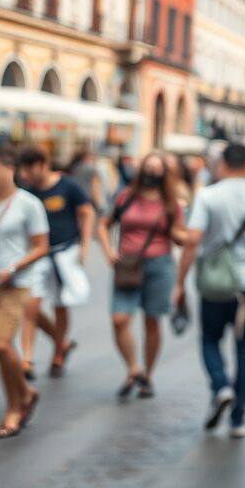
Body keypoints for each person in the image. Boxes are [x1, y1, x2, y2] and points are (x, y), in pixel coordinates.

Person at [176, 142, 245, 438]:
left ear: (222, 165)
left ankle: (221, 386)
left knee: (210, 339)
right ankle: (239, 419)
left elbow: (193, 240)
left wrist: (179, 282)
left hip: (214, 282)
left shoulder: (208, 196)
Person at [96, 152, 188, 400]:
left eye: (157, 170)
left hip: (160, 265)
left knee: (152, 321)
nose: (152, 173)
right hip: (127, 265)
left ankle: (147, 375)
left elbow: (179, 235)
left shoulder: (171, 203)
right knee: (119, 319)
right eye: (148, 168)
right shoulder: (125, 196)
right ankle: (132, 368)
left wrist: (187, 237)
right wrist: (108, 251)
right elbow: (103, 225)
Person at [0, 148, 48, 439]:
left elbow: (40, 246)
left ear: (9, 169)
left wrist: (14, 267)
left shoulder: (28, 204)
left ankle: (14, 407)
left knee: (0, 345)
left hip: (15, 284)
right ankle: (26, 393)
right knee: (0, 351)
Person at [16, 146, 93, 379]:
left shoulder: (67, 186)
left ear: (42, 164)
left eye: (29, 168)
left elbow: (86, 212)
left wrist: (84, 246)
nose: (26, 174)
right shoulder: (27, 191)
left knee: (60, 305)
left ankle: (59, 351)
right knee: (30, 307)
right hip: (37, 255)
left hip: (64, 252)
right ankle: (27, 359)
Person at [68, 151, 106, 216]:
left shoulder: (74, 168)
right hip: (89, 203)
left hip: (75, 203)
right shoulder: (92, 169)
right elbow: (95, 188)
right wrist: (101, 206)